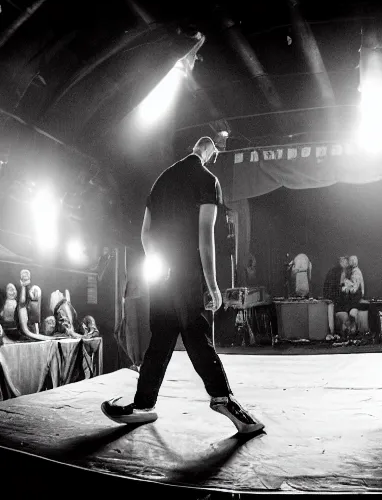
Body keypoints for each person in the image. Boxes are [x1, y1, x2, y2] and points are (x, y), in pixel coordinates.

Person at [101, 137, 264, 435]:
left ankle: (142, 405)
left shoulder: (161, 180)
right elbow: (205, 237)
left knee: (160, 340)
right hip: (190, 275)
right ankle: (223, 399)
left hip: (162, 276)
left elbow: (145, 235)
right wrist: (213, 285)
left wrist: (160, 264)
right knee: (198, 338)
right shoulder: (208, 179)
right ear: (211, 152)